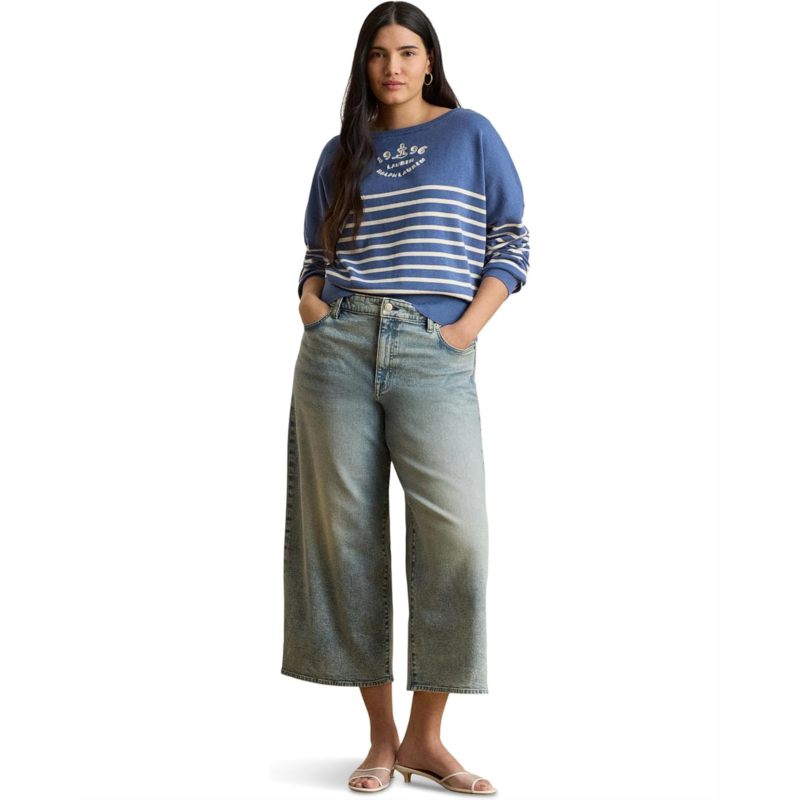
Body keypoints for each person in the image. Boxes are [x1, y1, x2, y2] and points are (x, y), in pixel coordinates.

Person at [282, 2, 529, 794]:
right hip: (339, 349)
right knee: (346, 541)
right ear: (365, 65)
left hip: (433, 350)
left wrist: (463, 332)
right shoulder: (341, 151)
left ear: (430, 62)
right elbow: (317, 250)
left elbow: (510, 240)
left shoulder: (471, 134)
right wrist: (312, 305)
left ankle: (427, 739)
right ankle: (382, 738)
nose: (392, 66)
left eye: (407, 51)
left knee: (458, 539)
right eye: (378, 53)